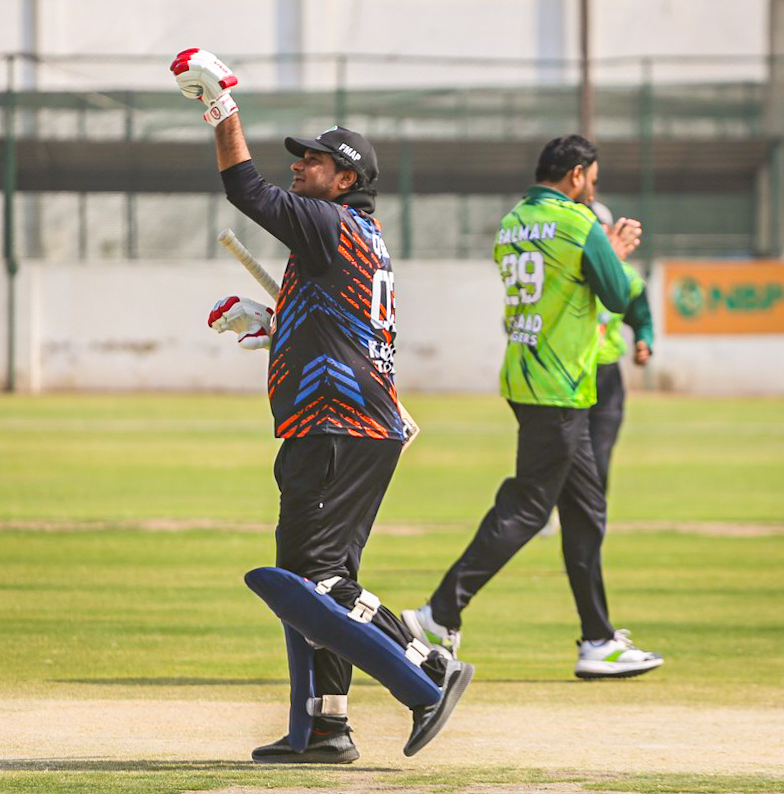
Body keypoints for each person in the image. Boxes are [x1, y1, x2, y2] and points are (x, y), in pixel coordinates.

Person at [170, 48, 472, 765]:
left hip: (339, 427)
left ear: (347, 180)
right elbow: (341, 324)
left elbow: (245, 189)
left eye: (314, 160)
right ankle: (326, 725)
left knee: (316, 582)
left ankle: (427, 667)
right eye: (300, 157)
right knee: (315, 586)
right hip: (352, 425)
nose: (299, 166)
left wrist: (221, 105)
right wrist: (271, 324)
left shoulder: (329, 223)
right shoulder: (351, 238)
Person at [403, 134, 663, 680]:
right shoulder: (578, 222)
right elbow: (617, 296)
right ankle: (439, 614)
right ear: (576, 174)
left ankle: (597, 640)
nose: (593, 190)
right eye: (592, 180)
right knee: (526, 508)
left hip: (530, 377)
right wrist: (614, 253)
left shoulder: (513, 221)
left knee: (586, 512)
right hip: (558, 386)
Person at [588, 200, 654, 494]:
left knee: (599, 461)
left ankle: (591, 514)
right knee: (564, 460)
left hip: (606, 379)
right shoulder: (566, 274)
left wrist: (644, 342)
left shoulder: (628, 279)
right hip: (569, 375)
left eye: (599, 227)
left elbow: (642, 319)